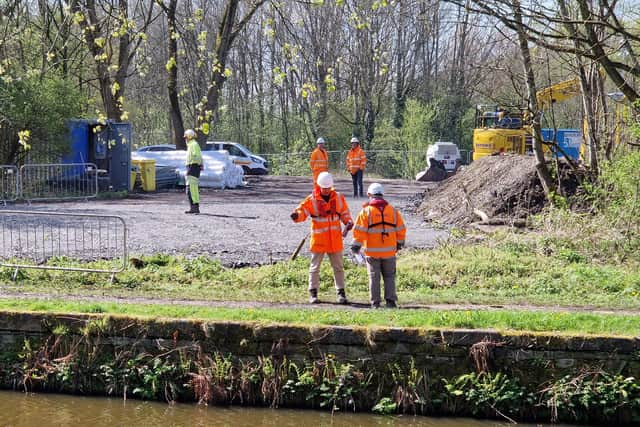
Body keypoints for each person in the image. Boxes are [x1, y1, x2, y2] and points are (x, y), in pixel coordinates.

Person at [290, 171, 353, 304]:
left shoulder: (339, 198)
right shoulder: (311, 199)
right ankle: (313, 294)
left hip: (335, 239)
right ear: (319, 186)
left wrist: (348, 222)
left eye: (328, 188)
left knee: (338, 268)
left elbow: (344, 213)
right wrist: (296, 215)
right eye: (324, 188)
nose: (326, 190)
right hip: (319, 240)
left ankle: (341, 294)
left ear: (331, 187)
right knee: (314, 268)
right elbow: (302, 210)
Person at [351, 183, 406, 308]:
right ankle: (391, 302)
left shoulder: (366, 212)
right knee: (389, 277)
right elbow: (401, 229)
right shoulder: (393, 211)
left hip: (372, 252)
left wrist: (355, 246)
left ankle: (375, 303)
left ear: (369, 195)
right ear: (382, 195)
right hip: (389, 252)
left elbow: (359, 231)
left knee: (374, 278)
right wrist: (399, 244)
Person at [184, 129, 203, 214]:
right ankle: (194, 207)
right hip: (192, 167)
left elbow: (197, 156)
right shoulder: (191, 145)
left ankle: (194, 207)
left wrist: (197, 164)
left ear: (189, 137)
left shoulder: (193, 144)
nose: (185, 139)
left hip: (193, 167)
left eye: (186, 137)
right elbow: (199, 157)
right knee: (192, 188)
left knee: (191, 188)